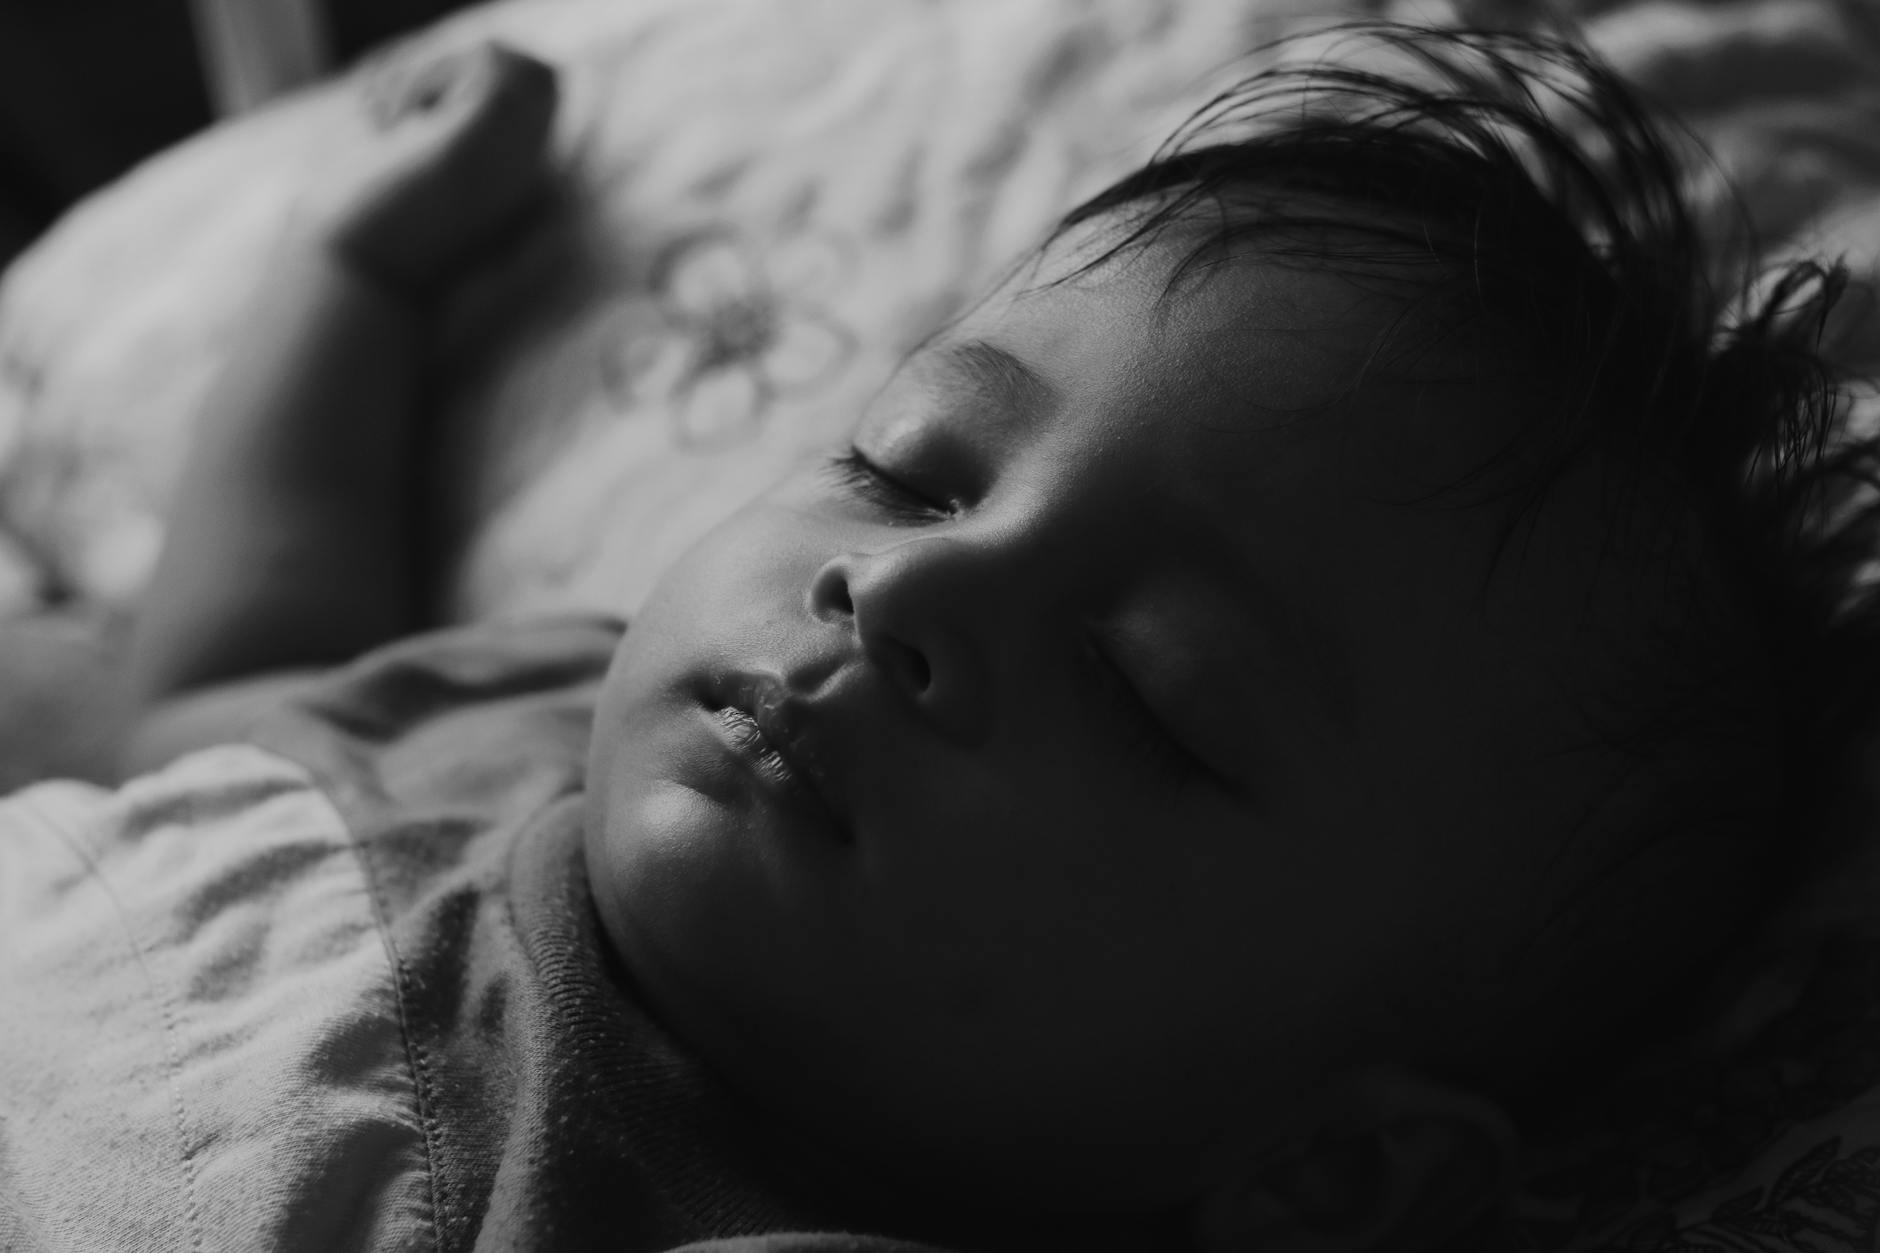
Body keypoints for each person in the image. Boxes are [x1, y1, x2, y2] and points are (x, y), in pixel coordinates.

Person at [3, 21, 1876, 1253]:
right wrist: (366, 266)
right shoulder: (515, 708)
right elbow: (229, 668)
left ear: (1328, 1174)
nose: (904, 591)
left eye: (1153, 692)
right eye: (908, 473)